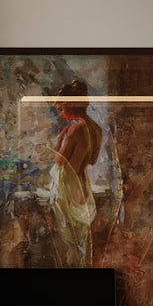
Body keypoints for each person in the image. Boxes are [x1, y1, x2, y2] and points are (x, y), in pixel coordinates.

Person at [48, 78, 102, 266]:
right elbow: (92, 160)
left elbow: (58, 160)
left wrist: (61, 137)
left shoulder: (73, 130)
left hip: (67, 188)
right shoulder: (96, 129)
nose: (61, 114)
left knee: (69, 241)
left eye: (61, 109)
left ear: (71, 105)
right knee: (82, 239)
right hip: (82, 186)